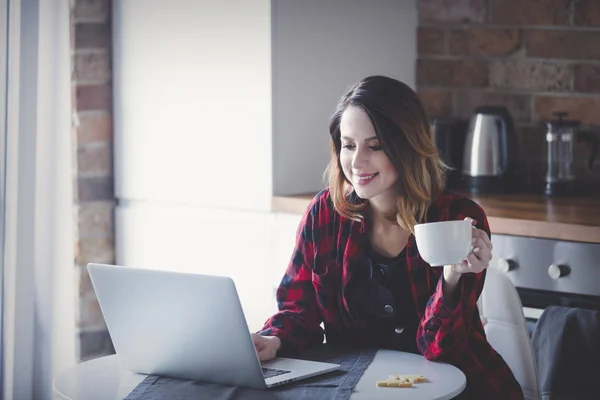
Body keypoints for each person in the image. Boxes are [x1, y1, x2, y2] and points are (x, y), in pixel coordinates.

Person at [252, 75, 523, 399]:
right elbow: (299, 311)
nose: (357, 161)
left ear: (407, 146)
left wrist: (451, 279)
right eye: (348, 145)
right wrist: (274, 339)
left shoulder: (456, 219)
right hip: (356, 388)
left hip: (457, 388)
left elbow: (440, 348)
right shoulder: (325, 214)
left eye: (375, 146)